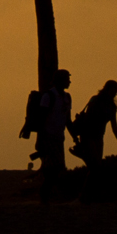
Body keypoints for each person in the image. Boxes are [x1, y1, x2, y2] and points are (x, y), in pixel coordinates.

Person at [69, 79, 117, 166]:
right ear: (107, 89)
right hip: (88, 135)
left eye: (116, 92)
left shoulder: (112, 107)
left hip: (99, 137)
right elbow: (87, 119)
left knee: (96, 166)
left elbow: (115, 129)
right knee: (95, 165)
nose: (115, 94)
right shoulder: (95, 100)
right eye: (114, 91)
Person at [36, 70, 72, 198]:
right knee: (52, 169)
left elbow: (68, 120)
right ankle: (44, 196)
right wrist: (40, 140)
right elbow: (41, 119)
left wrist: (74, 136)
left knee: (56, 168)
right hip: (48, 137)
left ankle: (46, 196)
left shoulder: (67, 97)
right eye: (67, 79)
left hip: (59, 137)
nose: (69, 82)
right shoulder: (48, 96)